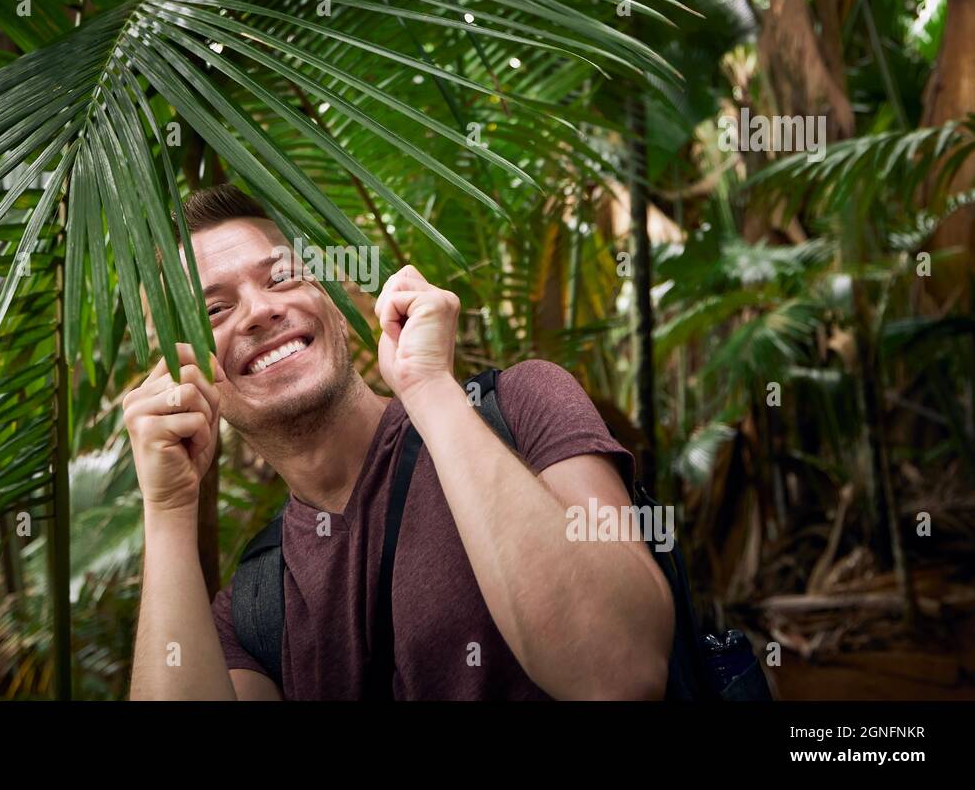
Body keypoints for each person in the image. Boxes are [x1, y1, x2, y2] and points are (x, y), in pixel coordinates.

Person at [126, 184, 673, 700]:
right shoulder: (254, 606)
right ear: (182, 370)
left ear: (335, 300)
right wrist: (168, 508)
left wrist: (429, 388)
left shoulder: (522, 406)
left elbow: (621, 671)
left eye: (284, 276)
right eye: (214, 310)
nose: (261, 311)